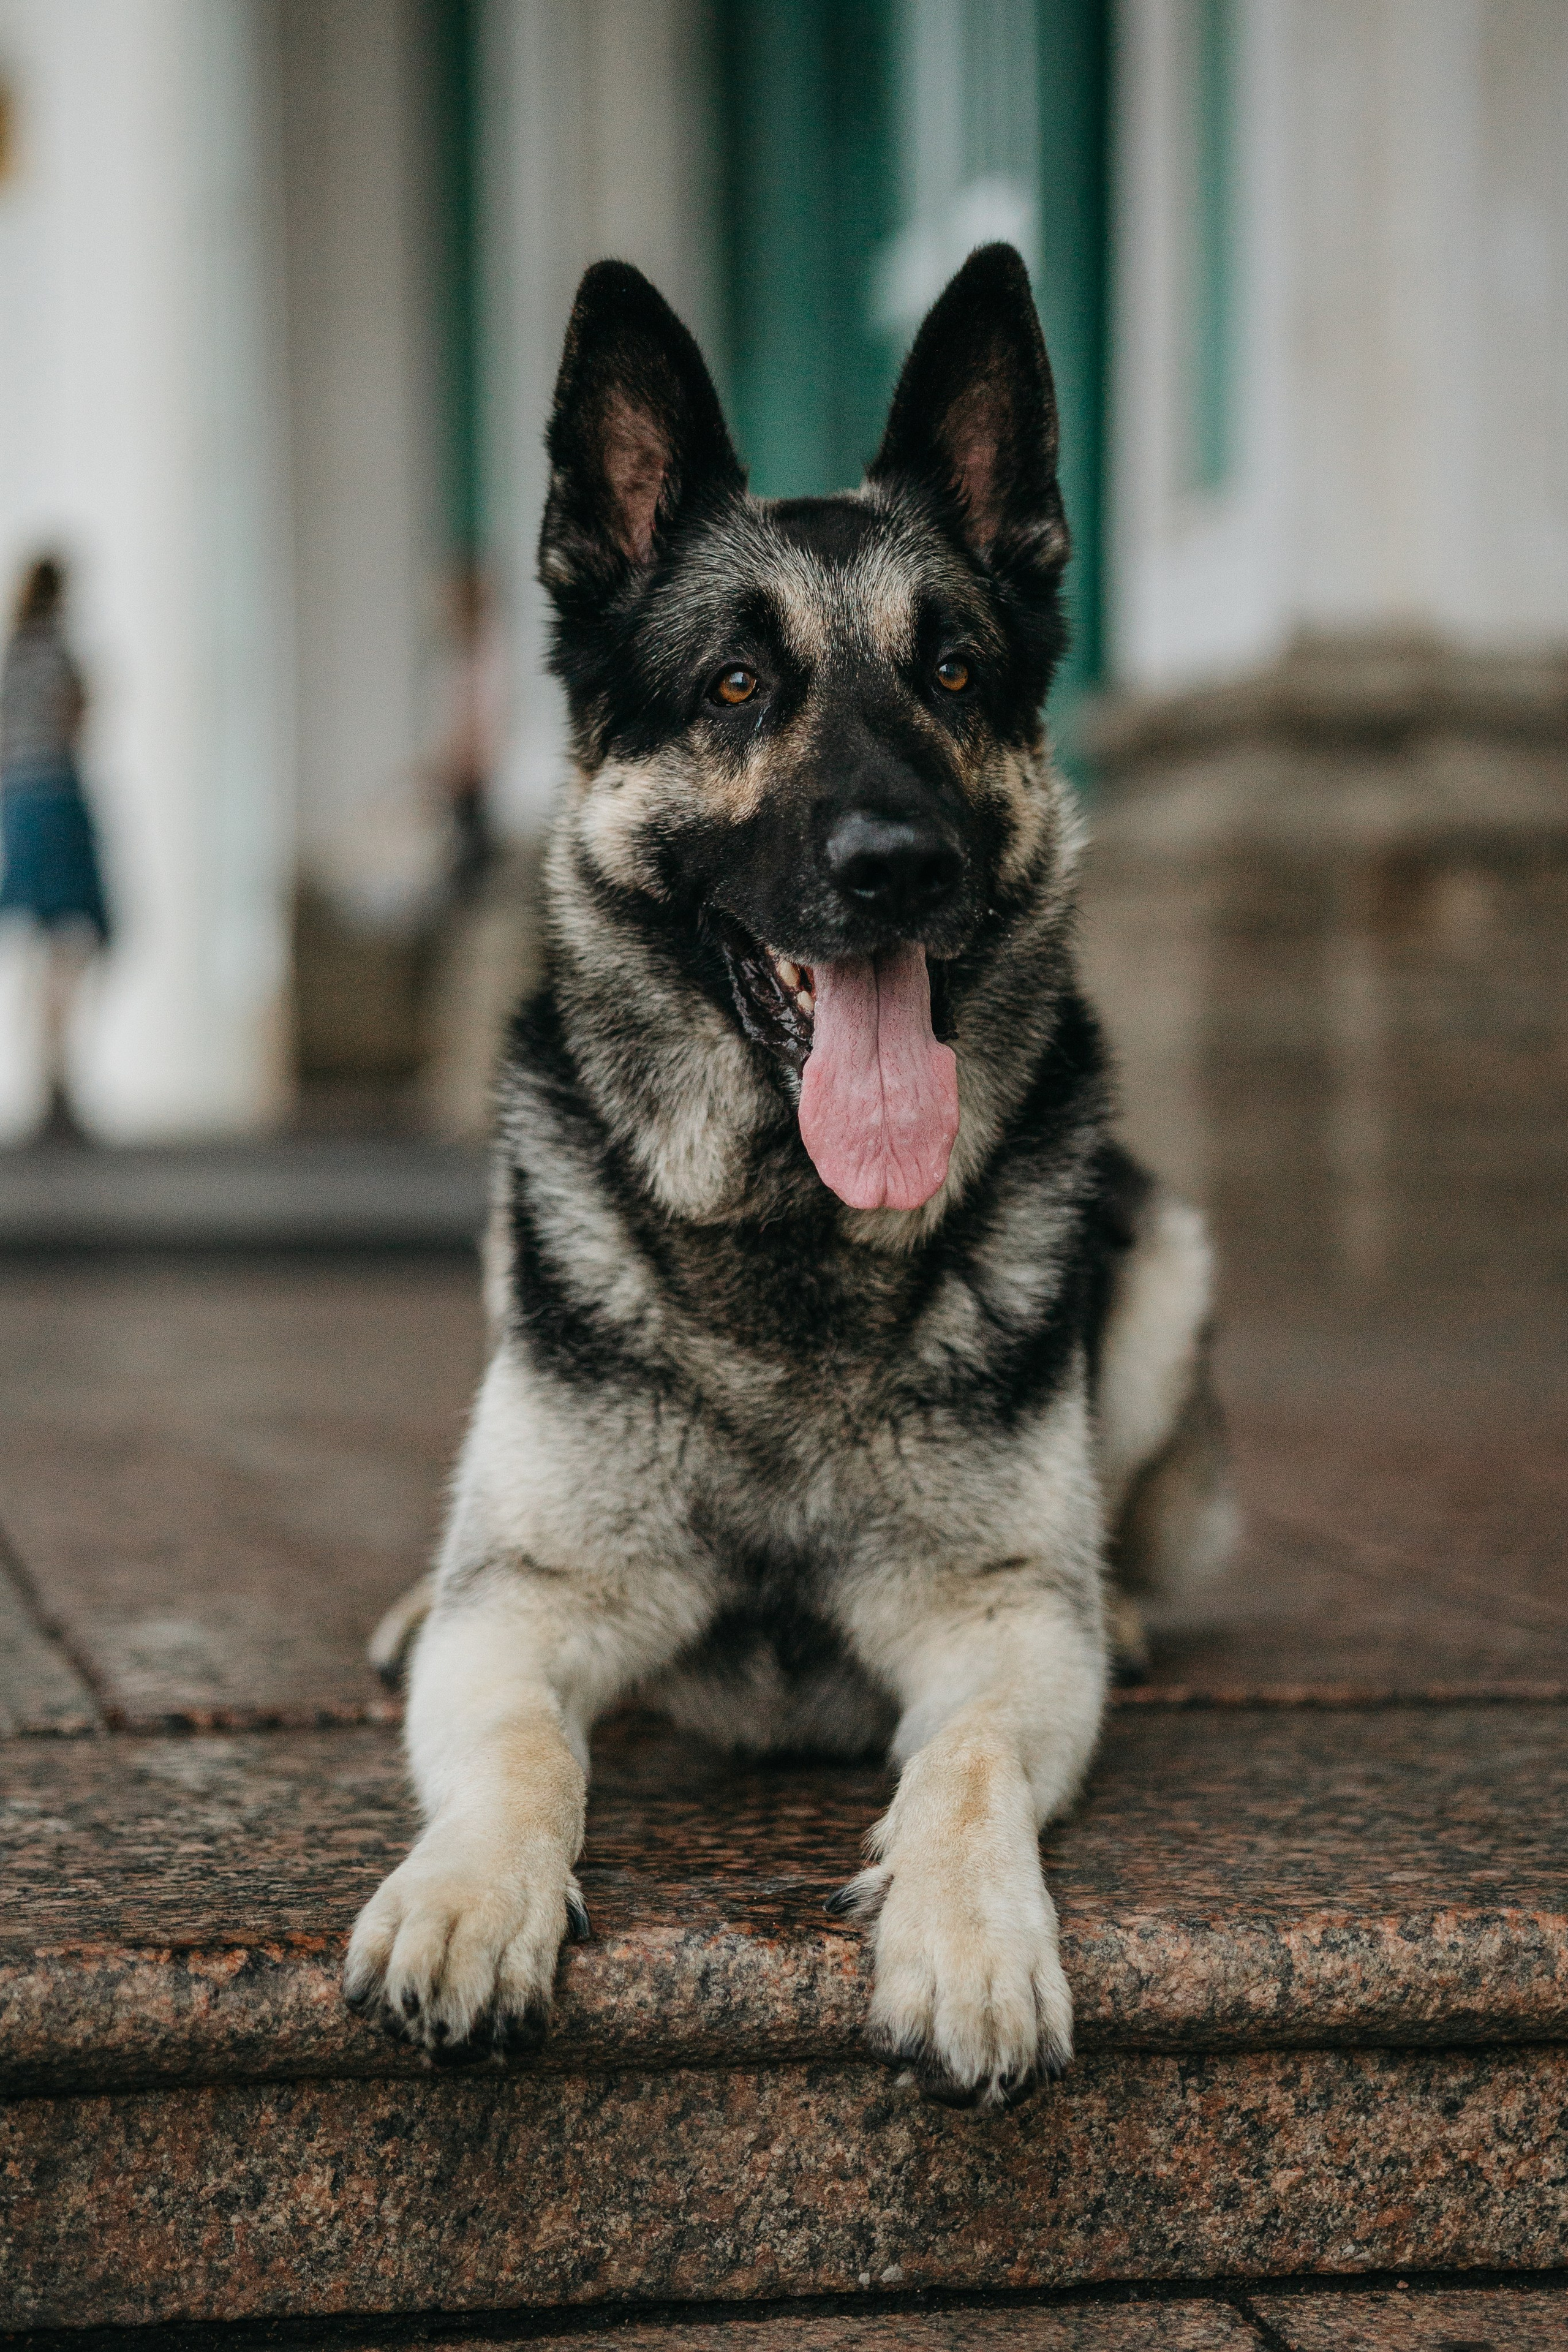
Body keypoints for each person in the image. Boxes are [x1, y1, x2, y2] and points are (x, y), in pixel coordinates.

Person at [0, 555, 110, 1140]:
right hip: (56, 800)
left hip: (18, 804)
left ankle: (47, 1072)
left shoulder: (12, 657)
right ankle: (55, 1074)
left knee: (43, 943)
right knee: (72, 941)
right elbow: (78, 724)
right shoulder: (59, 656)